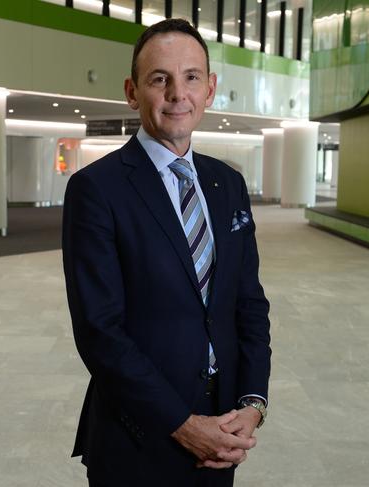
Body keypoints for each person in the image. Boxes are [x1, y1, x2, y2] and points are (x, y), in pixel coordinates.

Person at [62, 18, 271, 487]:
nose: (179, 93)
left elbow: (248, 304)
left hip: (223, 432)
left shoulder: (228, 184)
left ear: (210, 88)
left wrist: (253, 403)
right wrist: (183, 424)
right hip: (138, 437)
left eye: (192, 77)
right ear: (132, 92)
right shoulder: (96, 189)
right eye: (161, 79)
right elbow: (100, 332)